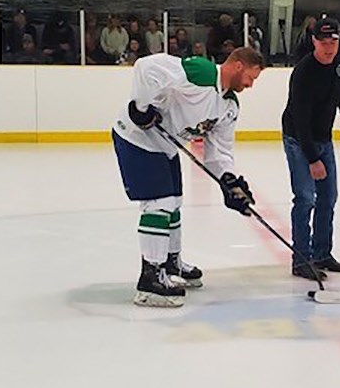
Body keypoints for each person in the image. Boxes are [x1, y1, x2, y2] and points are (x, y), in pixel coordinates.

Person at [112, 48, 265, 307]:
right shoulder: (202, 73)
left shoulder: (229, 105)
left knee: (174, 203)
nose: (250, 85)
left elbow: (219, 151)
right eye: (252, 77)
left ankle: (171, 263)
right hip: (137, 138)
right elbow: (146, 67)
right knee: (159, 204)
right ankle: (150, 277)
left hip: (165, 145)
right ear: (238, 66)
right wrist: (141, 106)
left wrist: (229, 181)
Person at [281, 17, 340, 280]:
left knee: (328, 197)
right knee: (305, 198)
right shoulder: (303, 72)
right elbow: (300, 119)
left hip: (323, 137)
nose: (329, 47)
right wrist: (313, 158)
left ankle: (322, 254)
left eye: (333, 41)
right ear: (314, 41)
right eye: (323, 42)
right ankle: (301, 259)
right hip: (298, 139)